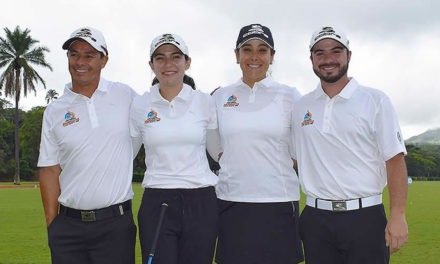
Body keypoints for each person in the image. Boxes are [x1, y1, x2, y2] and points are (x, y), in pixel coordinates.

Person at [292, 26, 408, 264]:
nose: (328, 59)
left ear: (348, 55)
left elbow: (394, 160)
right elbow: (293, 158)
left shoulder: (375, 100)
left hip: (365, 218)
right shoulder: (301, 107)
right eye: (320, 53)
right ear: (311, 59)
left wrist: (398, 216)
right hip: (316, 219)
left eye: (336, 51)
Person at [38, 27, 137, 264]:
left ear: (104, 60)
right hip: (68, 228)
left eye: (89, 55)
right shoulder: (55, 110)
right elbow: (50, 169)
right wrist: (54, 226)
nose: (80, 62)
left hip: (116, 226)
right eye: (74, 54)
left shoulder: (125, 95)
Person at [207, 24, 304, 264]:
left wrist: (279, 162)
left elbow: (301, 146)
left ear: (272, 56)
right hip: (232, 201)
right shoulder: (220, 96)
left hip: (278, 203)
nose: (254, 57)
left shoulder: (290, 95)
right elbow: (212, 140)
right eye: (247, 49)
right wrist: (229, 158)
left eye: (262, 50)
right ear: (236, 54)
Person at [130, 33, 218, 264]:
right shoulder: (140, 104)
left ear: (187, 62)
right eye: (160, 58)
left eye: (175, 57)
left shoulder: (205, 102)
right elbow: (125, 152)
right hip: (157, 199)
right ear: (152, 65)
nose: (168, 64)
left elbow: (219, 151)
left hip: (201, 199)